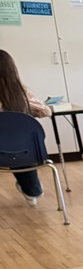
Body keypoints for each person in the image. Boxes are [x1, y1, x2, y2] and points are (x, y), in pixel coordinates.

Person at [0, 49, 51, 206]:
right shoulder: (23, 93)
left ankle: (31, 188)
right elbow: (46, 111)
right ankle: (32, 190)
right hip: (24, 152)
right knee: (18, 143)